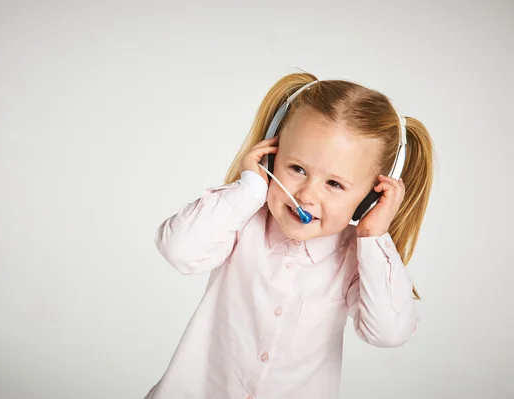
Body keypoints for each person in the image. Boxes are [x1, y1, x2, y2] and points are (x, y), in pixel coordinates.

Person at [144, 71, 434, 399]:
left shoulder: (356, 257)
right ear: (271, 157)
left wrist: (373, 236)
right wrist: (249, 188)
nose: (306, 195)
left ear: (370, 197)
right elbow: (179, 251)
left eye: (334, 184)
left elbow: (388, 333)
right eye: (297, 169)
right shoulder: (241, 218)